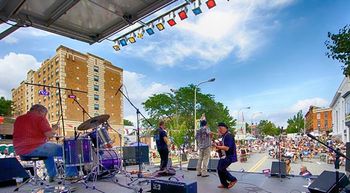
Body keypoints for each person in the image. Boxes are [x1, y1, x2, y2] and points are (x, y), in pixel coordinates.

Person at [13, 104, 77, 182]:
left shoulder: (19, 119)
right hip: (33, 148)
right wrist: (53, 129)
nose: (45, 116)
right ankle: (71, 175)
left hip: (20, 151)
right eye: (45, 114)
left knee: (47, 152)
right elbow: (49, 134)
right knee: (67, 149)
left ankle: (52, 176)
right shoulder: (39, 118)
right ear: (40, 111)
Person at [214, 122, 238, 189]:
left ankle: (233, 179)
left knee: (221, 168)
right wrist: (218, 148)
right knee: (219, 169)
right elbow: (223, 146)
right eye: (218, 129)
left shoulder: (228, 136)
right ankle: (224, 184)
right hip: (224, 156)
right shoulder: (224, 136)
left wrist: (218, 147)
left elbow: (227, 148)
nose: (219, 130)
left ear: (225, 128)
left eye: (220, 128)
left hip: (229, 156)